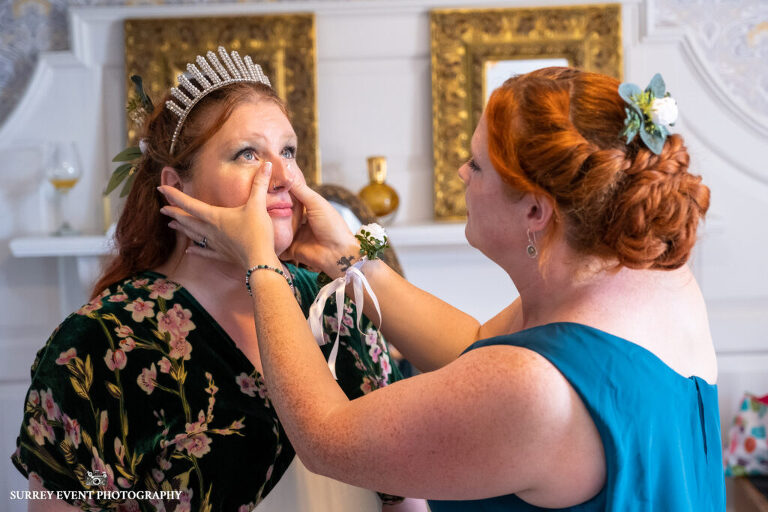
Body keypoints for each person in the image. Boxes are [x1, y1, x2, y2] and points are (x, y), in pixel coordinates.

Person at [158, 67, 726, 510]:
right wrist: (349, 257)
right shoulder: (648, 275)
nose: (459, 173)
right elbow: (476, 344)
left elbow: (327, 438)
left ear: (535, 209)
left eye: (476, 167)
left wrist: (260, 260)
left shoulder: (534, 388)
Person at [11, 47, 424, 512]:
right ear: (177, 186)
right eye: (248, 154)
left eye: (288, 151)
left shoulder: (337, 306)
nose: (283, 175)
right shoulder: (101, 342)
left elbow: (403, 493)